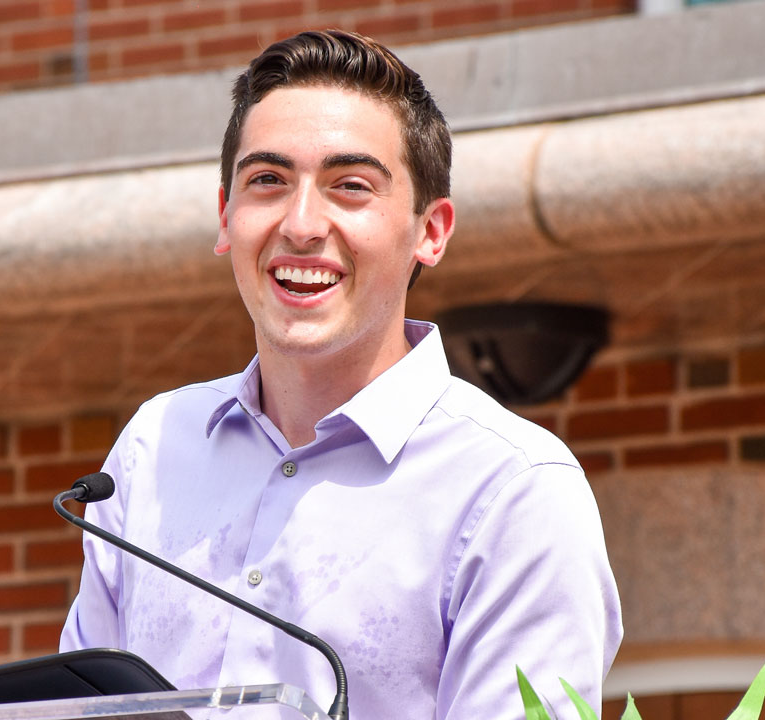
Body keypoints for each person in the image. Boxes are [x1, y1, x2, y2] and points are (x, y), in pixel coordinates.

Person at [59, 30, 622, 718]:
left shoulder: (514, 492)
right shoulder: (150, 452)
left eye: (349, 186)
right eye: (267, 181)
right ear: (226, 217)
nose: (300, 224)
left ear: (431, 231)